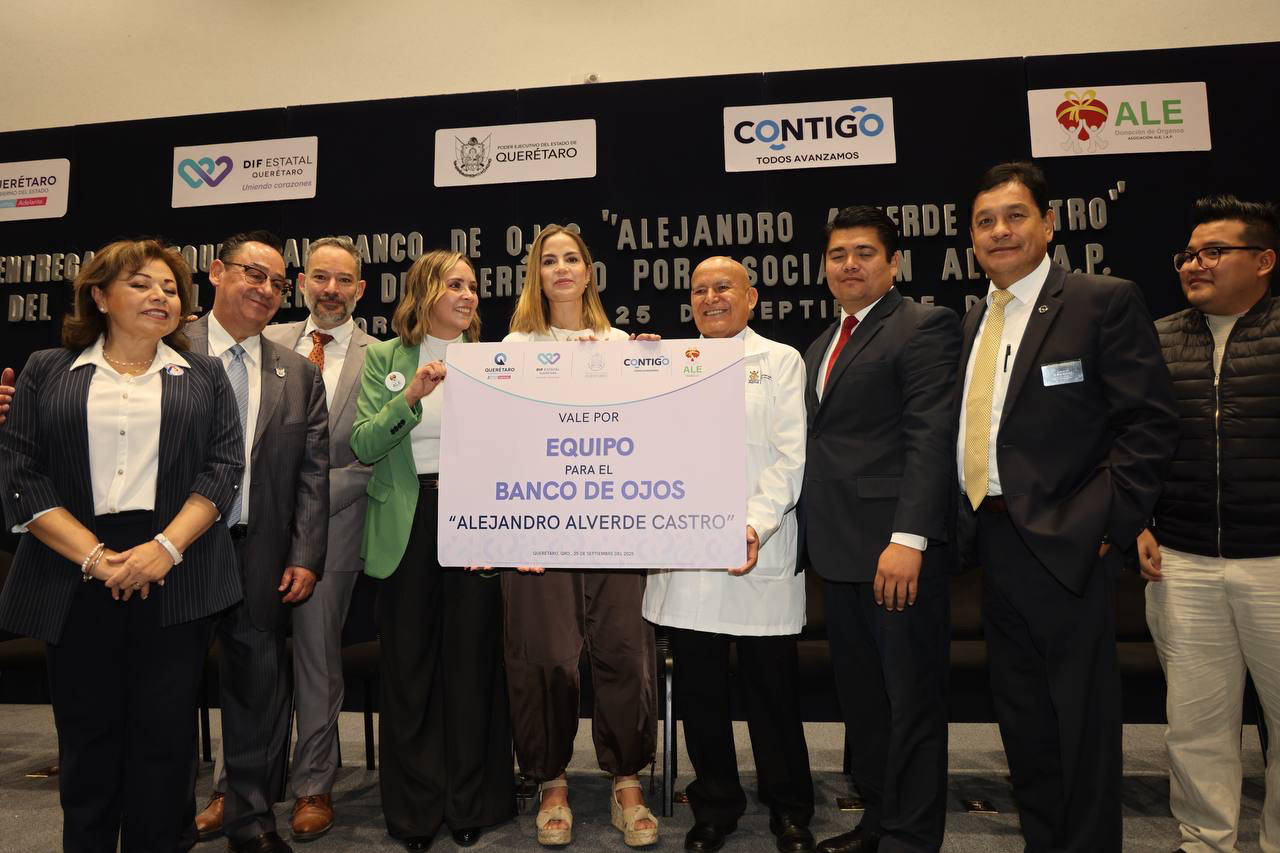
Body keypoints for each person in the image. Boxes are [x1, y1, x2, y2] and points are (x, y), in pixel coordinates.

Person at [956, 162, 1177, 852]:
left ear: (1049, 224)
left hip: (1071, 541)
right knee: (1023, 713)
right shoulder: (974, 318)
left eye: (1015, 216)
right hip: (993, 538)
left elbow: (1147, 423)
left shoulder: (1101, 300)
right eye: (985, 221)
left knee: (1081, 718)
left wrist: (1111, 522)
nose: (999, 231)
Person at [0, 239, 243, 852]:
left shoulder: (205, 375)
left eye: (170, 288)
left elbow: (222, 470)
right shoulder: (46, 370)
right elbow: (23, 473)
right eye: (141, 284)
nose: (160, 296)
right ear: (100, 297)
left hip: (175, 567)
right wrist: (94, 557)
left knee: (164, 742)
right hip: (72, 569)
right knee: (87, 740)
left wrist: (163, 548)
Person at [195, 236, 375, 842]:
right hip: (249, 534)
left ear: (360, 290)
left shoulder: (379, 356)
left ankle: (313, 785)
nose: (331, 290)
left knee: (318, 665)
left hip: (334, 532)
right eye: (320, 277)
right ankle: (235, 787)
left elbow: (370, 459)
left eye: (344, 280)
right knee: (249, 666)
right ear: (301, 284)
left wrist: (308, 502)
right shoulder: (262, 338)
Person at [799, 207, 960, 853]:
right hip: (838, 552)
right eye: (838, 254)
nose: (849, 264)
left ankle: (912, 837)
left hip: (896, 551)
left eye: (864, 252)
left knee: (909, 701)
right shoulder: (821, 343)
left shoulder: (923, 325)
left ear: (894, 263)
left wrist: (909, 538)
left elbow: (930, 437)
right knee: (865, 702)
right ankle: (876, 823)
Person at [642, 256, 814, 853]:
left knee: (773, 692)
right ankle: (715, 805)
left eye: (723, 287)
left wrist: (753, 525)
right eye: (700, 290)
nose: (711, 298)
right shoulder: (669, 362)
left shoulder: (781, 361)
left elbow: (791, 457)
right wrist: (633, 367)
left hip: (756, 551)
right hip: (688, 560)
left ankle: (789, 807)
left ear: (752, 297)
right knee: (701, 695)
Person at [350, 249, 515, 851]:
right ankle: (416, 810)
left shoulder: (493, 360)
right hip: (409, 520)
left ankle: (472, 802)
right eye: (455, 285)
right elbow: (364, 444)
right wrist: (410, 398)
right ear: (424, 293)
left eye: (473, 286)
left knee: (473, 665)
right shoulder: (385, 359)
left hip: (475, 518)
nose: (469, 295)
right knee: (410, 669)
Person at [503, 224, 660, 848]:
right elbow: (503, 444)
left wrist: (654, 371)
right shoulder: (514, 349)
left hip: (615, 527)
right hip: (539, 530)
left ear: (589, 271)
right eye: (549, 260)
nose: (562, 268)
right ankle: (551, 780)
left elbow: (650, 434)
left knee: (624, 651)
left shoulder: (621, 345)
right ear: (536, 275)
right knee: (544, 657)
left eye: (572, 258)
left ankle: (627, 781)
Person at [1139, 194, 1280, 853]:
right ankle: (1203, 841)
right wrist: (1138, 518)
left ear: (1264, 260)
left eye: (1214, 252)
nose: (1195, 264)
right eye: (1189, 254)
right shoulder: (1158, 339)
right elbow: (1131, 441)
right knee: (1195, 723)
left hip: (1274, 562)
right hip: (1183, 559)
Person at [186, 230, 330, 853]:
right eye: (253, 273)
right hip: (177, 555)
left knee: (256, 698)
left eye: (276, 281)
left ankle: (250, 822)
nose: (266, 289)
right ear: (216, 273)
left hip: (259, 555)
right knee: (170, 695)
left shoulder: (297, 372)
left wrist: (305, 554)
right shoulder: (168, 348)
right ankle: (165, 821)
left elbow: (313, 474)